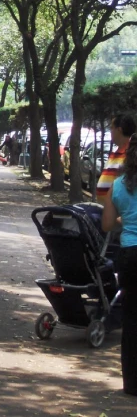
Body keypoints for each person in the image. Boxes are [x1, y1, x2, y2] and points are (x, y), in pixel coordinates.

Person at [102, 132, 137, 397]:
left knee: (131, 320)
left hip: (128, 256)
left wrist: (126, 222)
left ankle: (131, 384)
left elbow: (106, 225)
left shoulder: (119, 185)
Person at [97, 114, 136, 204]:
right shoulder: (115, 153)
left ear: (119, 130)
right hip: (106, 210)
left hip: (120, 213)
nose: (110, 131)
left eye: (112, 128)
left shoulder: (131, 154)